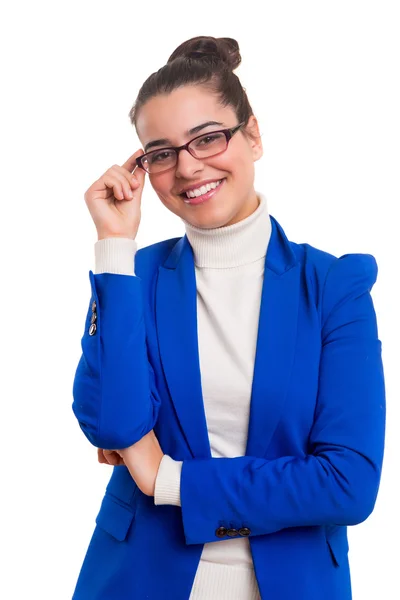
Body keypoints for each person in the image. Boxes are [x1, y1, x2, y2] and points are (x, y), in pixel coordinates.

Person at [71, 36, 386, 600]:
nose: (189, 167)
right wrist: (114, 246)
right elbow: (114, 426)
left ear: (254, 135)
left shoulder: (334, 286)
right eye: (161, 152)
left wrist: (167, 479)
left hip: (291, 581)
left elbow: (347, 484)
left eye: (208, 138)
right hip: (139, 577)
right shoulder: (132, 278)